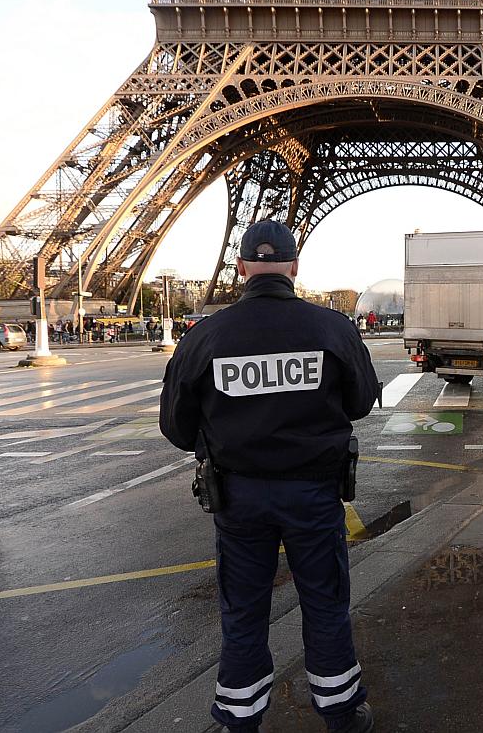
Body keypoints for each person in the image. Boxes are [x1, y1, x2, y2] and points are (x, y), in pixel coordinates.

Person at [159, 220, 379, 733]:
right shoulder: (332, 328)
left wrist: (226, 435)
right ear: (295, 267)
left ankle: (240, 718)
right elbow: (362, 402)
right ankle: (341, 712)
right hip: (314, 492)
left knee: (243, 610)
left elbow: (175, 425)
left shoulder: (206, 336)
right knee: (325, 602)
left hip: (239, 496)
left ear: (239, 269)